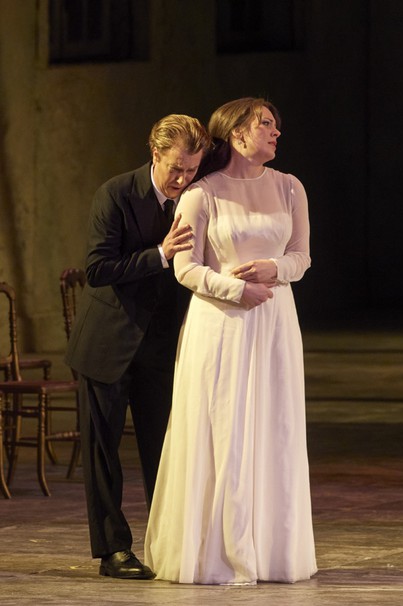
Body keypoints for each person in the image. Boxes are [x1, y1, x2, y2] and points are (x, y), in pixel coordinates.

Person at [144, 97, 317, 584]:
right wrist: (238, 289)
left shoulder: (289, 187)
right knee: (223, 430)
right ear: (238, 132)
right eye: (266, 123)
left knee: (273, 427)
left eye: (276, 125)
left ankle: (270, 551)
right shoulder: (202, 194)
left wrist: (273, 268)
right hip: (221, 323)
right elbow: (185, 267)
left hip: (275, 322)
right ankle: (218, 552)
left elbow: (302, 257)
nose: (276, 132)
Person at [65, 114, 211, 580]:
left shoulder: (198, 196)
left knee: (163, 449)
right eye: (176, 168)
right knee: (103, 452)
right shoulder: (116, 193)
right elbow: (97, 269)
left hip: (160, 347)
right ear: (155, 154)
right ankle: (113, 551)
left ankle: (169, 543)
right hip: (107, 342)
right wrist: (161, 255)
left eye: (192, 169)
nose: (183, 179)